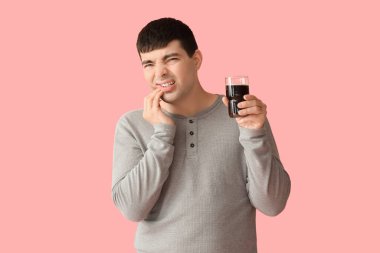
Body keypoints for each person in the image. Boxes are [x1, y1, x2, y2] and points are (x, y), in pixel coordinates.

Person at [112, 17, 291, 253]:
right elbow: (131, 209)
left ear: (196, 60)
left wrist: (254, 134)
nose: (160, 73)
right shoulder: (132, 125)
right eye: (148, 64)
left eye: (171, 59)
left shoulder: (244, 117)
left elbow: (272, 204)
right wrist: (163, 134)